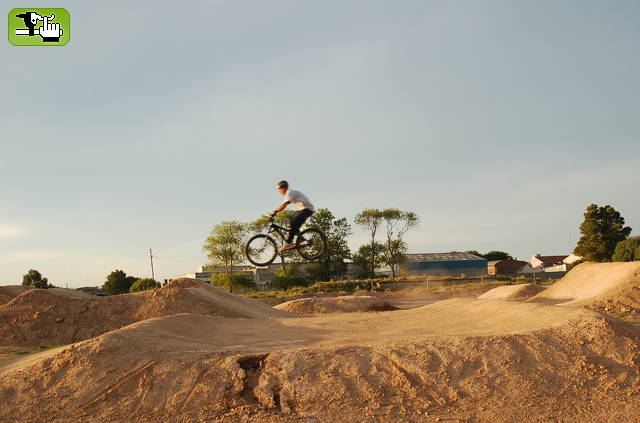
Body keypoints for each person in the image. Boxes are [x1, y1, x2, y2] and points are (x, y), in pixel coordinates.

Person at [271, 180, 315, 252]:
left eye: (279, 189)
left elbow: (284, 205)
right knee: (290, 219)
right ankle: (300, 237)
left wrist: (274, 212)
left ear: (283, 188)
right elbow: (283, 208)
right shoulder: (288, 194)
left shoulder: (289, 192)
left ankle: (289, 243)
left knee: (292, 221)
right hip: (303, 209)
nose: (279, 191)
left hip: (308, 209)